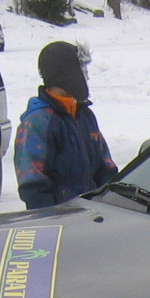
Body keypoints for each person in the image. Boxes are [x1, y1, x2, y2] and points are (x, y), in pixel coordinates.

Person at [14, 41, 116, 209]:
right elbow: (32, 184)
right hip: (61, 221)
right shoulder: (38, 121)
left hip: (92, 216)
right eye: (83, 71)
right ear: (67, 75)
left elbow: (106, 169)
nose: (87, 77)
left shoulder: (84, 114)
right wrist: (49, 220)